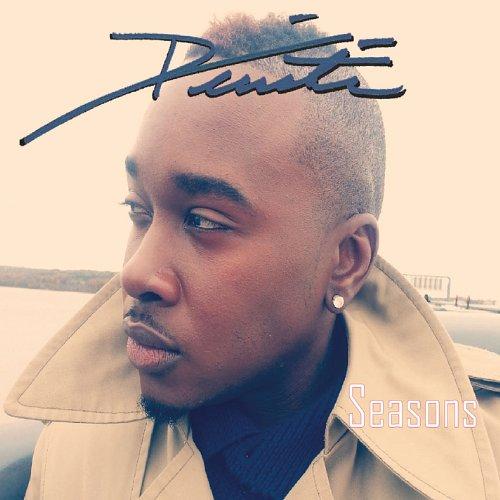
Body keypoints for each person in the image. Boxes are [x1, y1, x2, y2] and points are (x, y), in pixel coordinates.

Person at [5, 13, 500, 500]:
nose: (135, 273)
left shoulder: (481, 461)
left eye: (204, 221)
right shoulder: (73, 443)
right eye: (139, 210)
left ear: (345, 261)